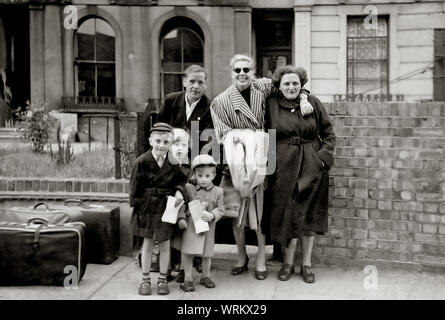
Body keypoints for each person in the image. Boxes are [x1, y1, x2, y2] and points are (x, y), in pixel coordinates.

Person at [210, 54, 313, 280]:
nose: (242, 74)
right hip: (236, 164)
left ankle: (260, 258)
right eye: (237, 70)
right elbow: (221, 135)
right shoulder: (221, 102)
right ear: (231, 73)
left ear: (253, 71)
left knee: (259, 214)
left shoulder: (264, 88)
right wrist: (249, 141)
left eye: (246, 69)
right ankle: (240, 256)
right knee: (235, 213)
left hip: (264, 161)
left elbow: (292, 85)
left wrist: (304, 98)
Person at [262, 65, 336, 283]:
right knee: (288, 213)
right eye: (286, 83)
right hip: (283, 166)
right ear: (279, 86)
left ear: (302, 84)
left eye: (295, 83)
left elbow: (329, 134)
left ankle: (306, 265)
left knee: (308, 215)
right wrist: (268, 168)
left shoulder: (313, 103)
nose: (291, 87)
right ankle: (287, 264)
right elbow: (267, 134)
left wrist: (321, 160)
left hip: (311, 164)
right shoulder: (272, 104)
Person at [157, 64, 214, 277]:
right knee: (172, 208)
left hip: (195, 166)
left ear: (206, 84)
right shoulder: (172, 101)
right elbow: (160, 130)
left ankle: (195, 256)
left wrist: (197, 171)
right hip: (171, 164)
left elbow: (210, 143)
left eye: (201, 82)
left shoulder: (209, 107)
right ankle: (170, 257)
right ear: (184, 82)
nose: (196, 86)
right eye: (192, 81)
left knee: (194, 211)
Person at [129, 122, 189, 295]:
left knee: (165, 243)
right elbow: (135, 187)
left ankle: (162, 279)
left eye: (165, 142)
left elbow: (180, 181)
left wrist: (179, 191)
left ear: (170, 144)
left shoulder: (173, 163)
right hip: (147, 207)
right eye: (158, 141)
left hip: (166, 206)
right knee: (147, 243)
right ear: (150, 141)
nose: (162, 146)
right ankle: (145, 279)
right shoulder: (142, 162)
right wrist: (138, 207)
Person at [174, 154, 224, 292]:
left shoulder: (218, 191)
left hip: (208, 227)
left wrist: (212, 214)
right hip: (191, 226)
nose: (203, 179)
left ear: (214, 176)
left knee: (207, 254)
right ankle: (188, 279)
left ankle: (205, 276)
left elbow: (221, 209)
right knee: (188, 253)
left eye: (207, 176)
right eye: (200, 175)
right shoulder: (189, 188)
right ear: (194, 174)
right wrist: (181, 218)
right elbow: (182, 204)